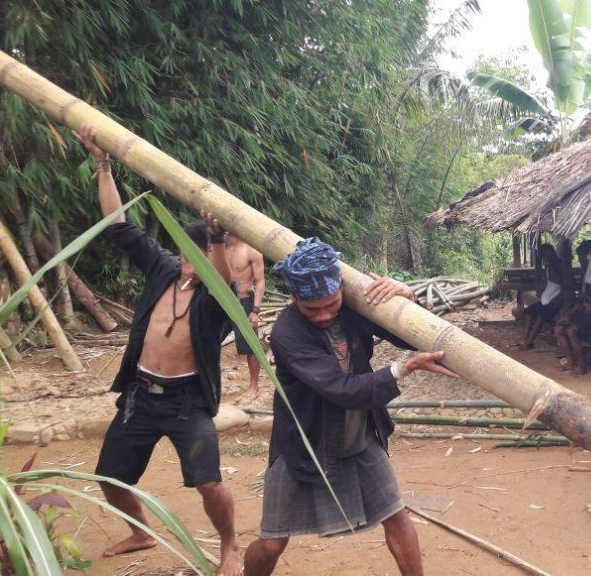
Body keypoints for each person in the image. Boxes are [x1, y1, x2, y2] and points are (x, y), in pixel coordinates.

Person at [74, 124, 242, 576]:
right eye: (188, 250)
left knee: (208, 482)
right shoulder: (163, 268)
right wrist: (104, 163)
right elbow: (117, 225)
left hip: (188, 402)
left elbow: (225, 281)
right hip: (140, 396)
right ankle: (141, 531)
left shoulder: (216, 300)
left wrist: (219, 237)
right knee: (109, 480)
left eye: (203, 251)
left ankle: (229, 546)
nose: (193, 259)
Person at [243, 238, 459, 576]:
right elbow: (341, 390)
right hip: (305, 441)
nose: (325, 315)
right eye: (312, 309)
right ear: (294, 298)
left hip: (360, 434)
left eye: (331, 304)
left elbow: (411, 337)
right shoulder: (287, 332)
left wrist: (406, 297)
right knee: (272, 541)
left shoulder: (355, 309)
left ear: (341, 290)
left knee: (397, 516)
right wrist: (403, 369)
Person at [555, 240, 591, 374]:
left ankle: (581, 364)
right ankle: (570, 361)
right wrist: (568, 313)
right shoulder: (585, 274)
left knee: (571, 331)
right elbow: (581, 300)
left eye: (583, 258)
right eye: (580, 258)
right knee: (559, 329)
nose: (581, 261)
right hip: (584, 311)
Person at [225, 234, 266, 398]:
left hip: (243, 302)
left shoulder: (252, 251)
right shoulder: (219, 247)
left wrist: (255, 310)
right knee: (208, 339)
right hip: (220, 300)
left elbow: (260, 281)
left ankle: (253, 385)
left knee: (250, 346)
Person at [516, 244, 564, 350]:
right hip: (546, 299)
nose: (545, 257)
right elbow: (547, 284)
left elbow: (564, 286)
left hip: (557, 300)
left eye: (547, 254)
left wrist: (558, 300)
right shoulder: (548, 267)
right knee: (529, 312)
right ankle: (525, 337)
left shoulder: (560, 265)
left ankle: (529, 342)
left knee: (540, 316)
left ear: (552, 253)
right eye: (543, 256)